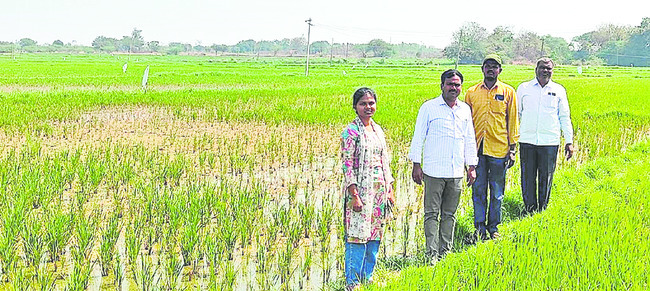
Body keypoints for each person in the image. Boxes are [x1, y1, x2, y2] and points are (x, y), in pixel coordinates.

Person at [408, 69, 478, 262]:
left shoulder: (464, 109)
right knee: (431, 214)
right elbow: (418, 136)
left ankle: (445, 253)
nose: (453, 88)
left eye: (457, 85)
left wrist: (471, 166)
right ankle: (431, 254)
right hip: (433, 171)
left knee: (450, 214)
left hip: (456, 172)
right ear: (442, 86)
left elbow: (469, 139)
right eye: (450, 84)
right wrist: (416, 163)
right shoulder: (429, 108)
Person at [341, 87, 395, 290]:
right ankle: (352, 281)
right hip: (360, 192)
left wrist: (389, 188)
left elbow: (385, 160)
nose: (368, 107)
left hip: (379, 192)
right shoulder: (350, 132)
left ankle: (367, 276)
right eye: (363, 103)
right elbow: (347, 165)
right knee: (356, 234)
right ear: (355, 107)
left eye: (371, 103)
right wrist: (354, 195)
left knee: (375, 233)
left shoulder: (378, 129)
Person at [465, 54, 519, 241]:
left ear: (499, 70)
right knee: (478, 190)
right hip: (477, 150)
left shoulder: (508, 92)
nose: (490, 69)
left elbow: (512, 122)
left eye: (494, 66)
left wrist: (512, 150)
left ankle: (494, 228)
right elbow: (466, 124)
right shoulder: (471, 92)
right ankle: (479, 227)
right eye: (487, 66)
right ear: (482, 69)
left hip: (499, 150)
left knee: (497, 192)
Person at [517, 57, 574, 213]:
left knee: (546, 177)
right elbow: (518, 114)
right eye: (542, 68)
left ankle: (542, 210)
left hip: (550, 141)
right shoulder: (524, 88)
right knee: (527, 177)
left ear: (552, 71)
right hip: (527, 140)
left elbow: (564, 116)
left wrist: (569, 141)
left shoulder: (559, 90)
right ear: (536, 69)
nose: (545, 71)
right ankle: (529, 209)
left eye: (548, 68)